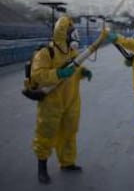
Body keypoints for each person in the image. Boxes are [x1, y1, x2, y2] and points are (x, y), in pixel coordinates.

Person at [30, 16, 93, 184]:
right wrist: (57, 73)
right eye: (71, 33)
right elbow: (37, 75)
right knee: (46, 133)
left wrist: (83, 72)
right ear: (62, 34)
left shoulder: (73, 53)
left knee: (69, 132)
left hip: (71, 99)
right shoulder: (46, 53)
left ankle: (67, 162)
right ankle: (42, 168)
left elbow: (74, 70)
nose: (74, 36)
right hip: (51, 102)